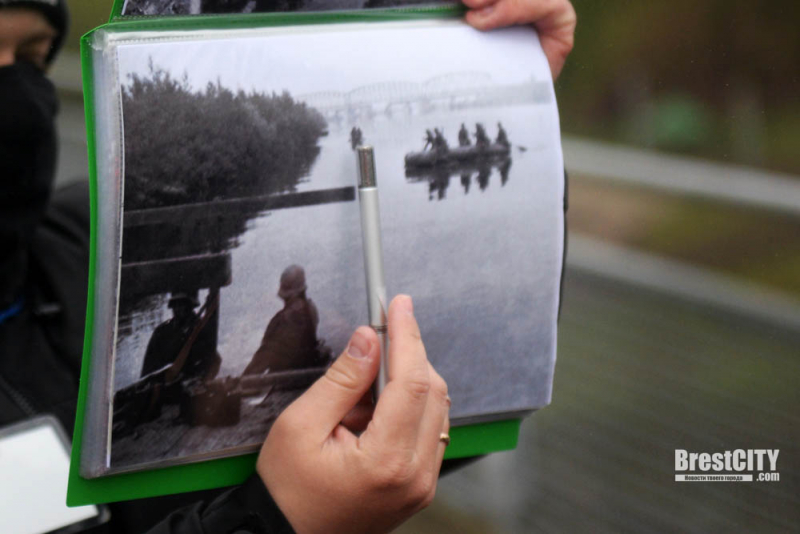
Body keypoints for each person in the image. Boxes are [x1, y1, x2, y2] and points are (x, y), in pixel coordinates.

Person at [1, 0, 575, 532]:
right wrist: (273, 521)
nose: (16, 95)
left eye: (30, 55)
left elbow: (442, 418)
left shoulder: (86, 241)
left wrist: (509, 83)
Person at [244, 265, 329, 375]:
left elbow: (263, 358)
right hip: (306, 374)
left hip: (287, 380)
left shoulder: (283, 320)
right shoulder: (311, 308)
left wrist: (240, 382)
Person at [140, 291, 221, 380]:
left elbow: (215, 360)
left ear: (190, 307)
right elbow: (148, 370)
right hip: (167, 383)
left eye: (181, 304)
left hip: (194, 381)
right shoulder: (161, 332)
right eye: (175, 305)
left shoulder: (201, 328)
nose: (177, 309)